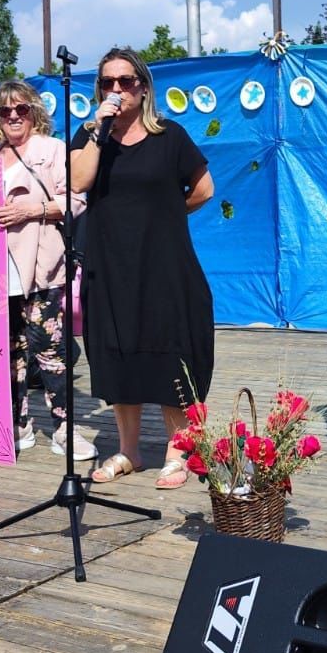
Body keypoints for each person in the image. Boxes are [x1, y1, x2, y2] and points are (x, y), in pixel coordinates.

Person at [70, 47, 214, 489]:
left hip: (164, 263)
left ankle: (177, 453)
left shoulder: (169, 136)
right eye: (108, 83)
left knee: (170, 351)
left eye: (126, 81)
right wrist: (98, 130)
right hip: (110, 264)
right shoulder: (89, 136)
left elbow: (203, 190)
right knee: (117, 354)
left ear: (144, 87)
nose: (117, 90)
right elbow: (78, 183)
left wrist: (165, 215)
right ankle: (129, 450)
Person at [0, 79, 98, 461]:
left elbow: (76, 200)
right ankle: (18, 424)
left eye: (21, 109)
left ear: (33, 112)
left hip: (43, 269)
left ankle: (65, 429)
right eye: (5, 110)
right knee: (8, 352)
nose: (13, 116)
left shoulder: (53, 150)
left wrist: (31, 211)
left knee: (50, 352)